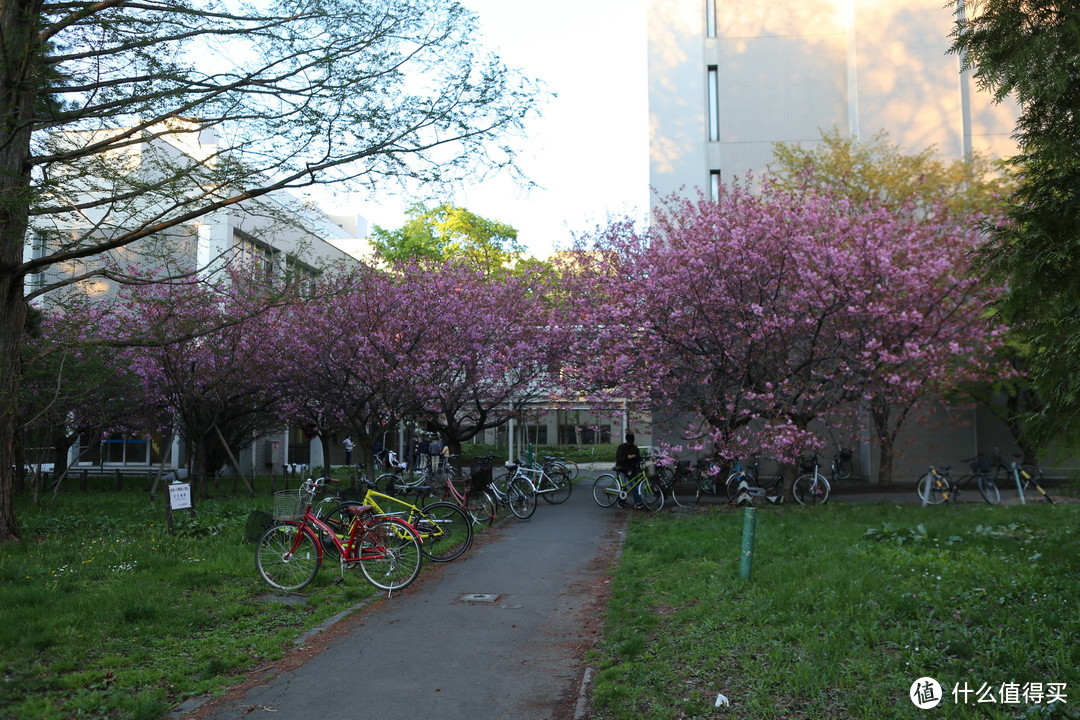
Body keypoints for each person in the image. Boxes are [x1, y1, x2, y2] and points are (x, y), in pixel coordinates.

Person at [614, 432, 643, 508]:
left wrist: (635, 457)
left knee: (632, 485)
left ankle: (635, 502)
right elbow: (619, 458)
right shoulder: (624, 447)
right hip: (622, 468)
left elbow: (638, 458)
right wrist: (628, 457)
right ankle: (622, 502)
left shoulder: (630, 448)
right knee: (625, 485)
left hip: (630, 469)